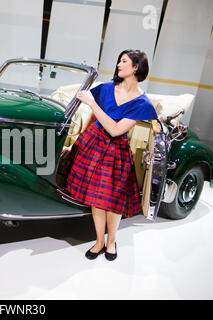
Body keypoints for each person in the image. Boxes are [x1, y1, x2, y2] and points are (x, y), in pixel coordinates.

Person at [65, 49, 158, 261]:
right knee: (96, 199)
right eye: (119, 60)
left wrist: (91, 103)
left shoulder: (142, 103)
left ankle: (111, 241)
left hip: (116, 150)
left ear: (136, 67)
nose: (119, 64)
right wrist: (79, 139)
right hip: (93, 144)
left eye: (124, 61)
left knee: (113, 201)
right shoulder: (106, 89)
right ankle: (99, 241)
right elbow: (92, 119)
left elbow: (116, 130)